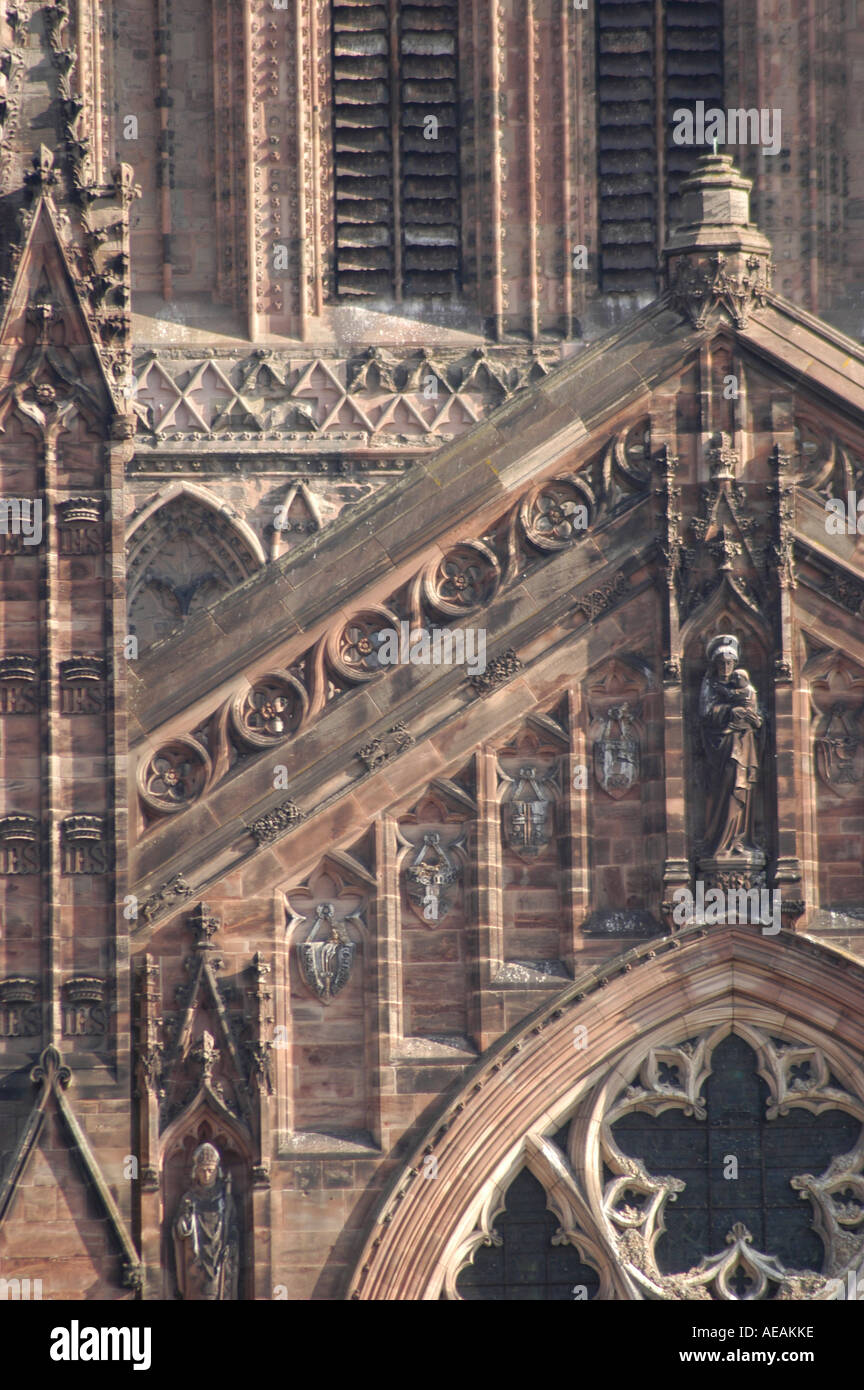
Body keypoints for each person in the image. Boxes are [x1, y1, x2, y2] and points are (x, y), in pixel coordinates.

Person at [699, 636, 762, 856]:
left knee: (742, 788)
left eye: (729, 663)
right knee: (725, 791)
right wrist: (730, 712)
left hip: (744, 746)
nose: (725, 667)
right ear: (715, 664)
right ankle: (720, 843)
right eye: (721, 663)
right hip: (721, 747)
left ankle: (739, 841)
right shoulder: (710, 685)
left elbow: (758, 716)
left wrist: (752, 719)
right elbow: (705, 714)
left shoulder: (747, 688)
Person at [173, 1141, 239, 1299]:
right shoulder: (189, 1197)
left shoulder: (225, 1199)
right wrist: (184, 1221)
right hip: (195, 1256)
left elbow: (233, 1226)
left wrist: (231, 1243)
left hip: (218, 1255)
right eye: (202, 1171)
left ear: (217, 1172)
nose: (206, 1175)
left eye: (210, 1170)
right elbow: (179, 1228)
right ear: (196, 1172)